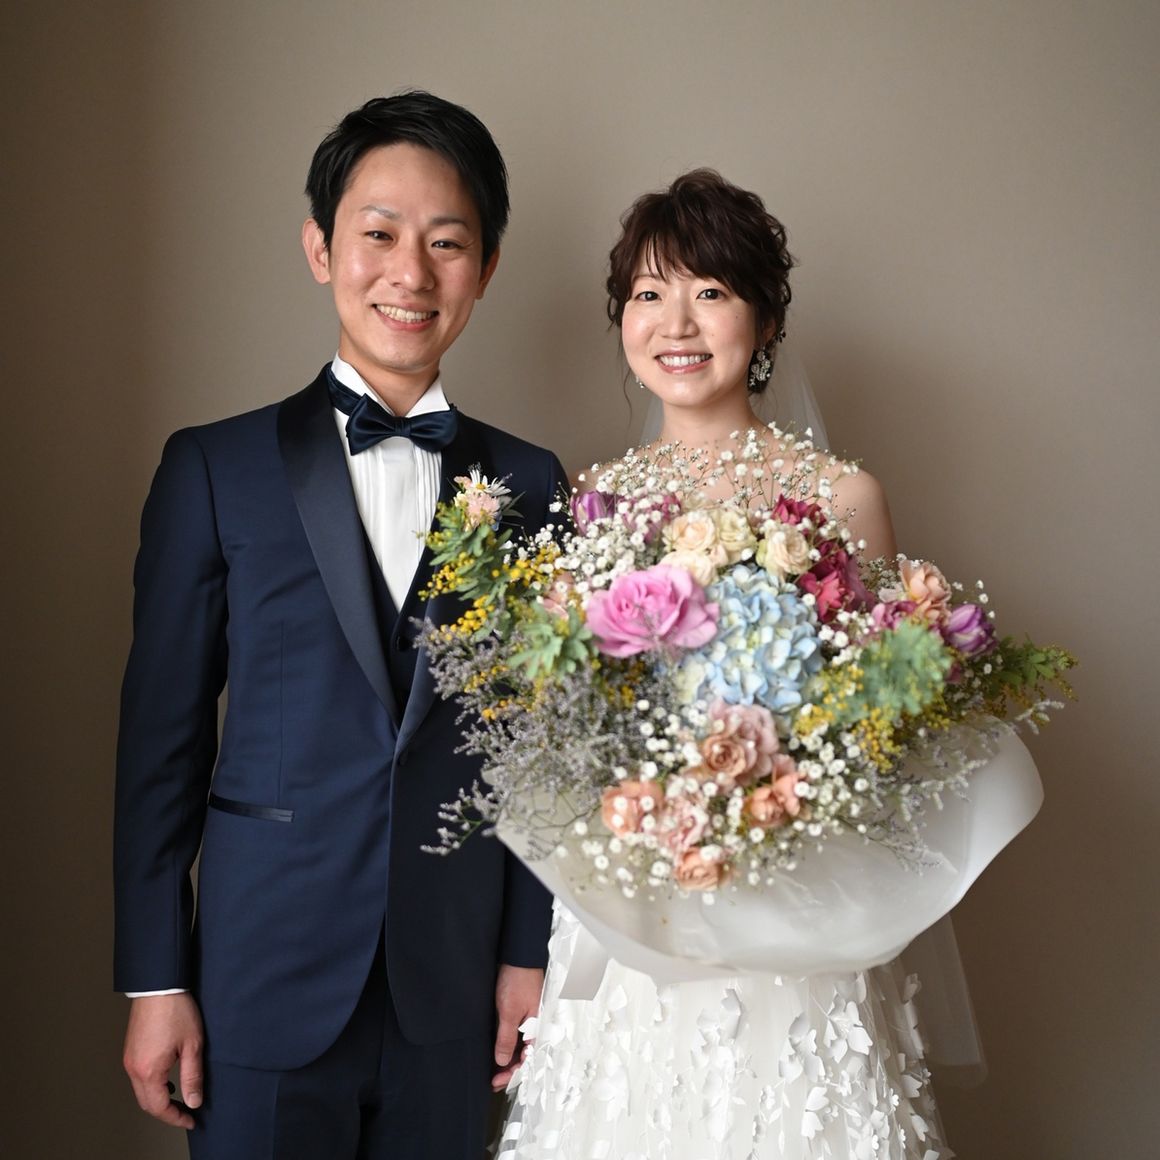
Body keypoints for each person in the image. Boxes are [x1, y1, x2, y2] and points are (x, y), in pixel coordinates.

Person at [114, 91, 568, 1159]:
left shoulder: (533, 483)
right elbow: (160, 745)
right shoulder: (212, 467)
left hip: (454, 986)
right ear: (321, 248)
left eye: (446, 243)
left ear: (485, 268)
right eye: (379, 234)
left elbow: (545, 748)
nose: (411, 274)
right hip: (257, 977)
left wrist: (527, 952)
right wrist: (154, 976)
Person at [500, 170, 951, 1159]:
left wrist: (771, 794)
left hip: (793, 904)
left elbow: (887, 720)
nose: (677, 322)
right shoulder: (592, 499)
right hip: (635, 901)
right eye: (648, 293)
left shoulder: (841, 495)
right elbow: (562, 721)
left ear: (764, 320)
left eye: (710, 291)